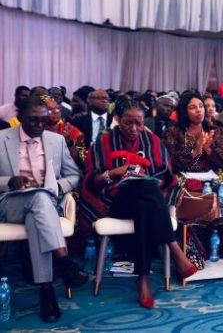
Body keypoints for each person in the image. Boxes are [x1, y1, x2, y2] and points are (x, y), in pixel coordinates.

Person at [81, 99, 197, 309]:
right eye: (128, 123)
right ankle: (173, 247)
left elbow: (165, 177)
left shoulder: (152, 141)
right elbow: (92, 182)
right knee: (146, 190)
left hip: (147, 202)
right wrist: (114, 173)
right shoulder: (104, 142)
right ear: (118, 119)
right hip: (114, 201)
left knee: (145, 200)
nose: (134, 128)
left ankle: (143, 279)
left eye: (139, 123)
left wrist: (148, 180)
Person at [0, 95, 87, 322]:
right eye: (33, 120)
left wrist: (58, 186)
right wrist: (10, 181)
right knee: (39, 200)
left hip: (44, 206)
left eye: (43, 120)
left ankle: (46, 290)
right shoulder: (2, 138)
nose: (39, 125)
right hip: (10, 203)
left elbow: (74, 176)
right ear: (20, 117)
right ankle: (64, 262)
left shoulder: (56, 141)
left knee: (37, 210)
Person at [164, 92, 223, 173]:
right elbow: (170, 162)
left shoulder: (216, 132)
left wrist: (208, 150)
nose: (199, 110)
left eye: (201, 106)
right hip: (182, 178)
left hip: (213, 178)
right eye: (192, 107)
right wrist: (196, 151)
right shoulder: (173, 133)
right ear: (184, 112)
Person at [42, 96, 86, 168]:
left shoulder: (72, 130)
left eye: (57, 108)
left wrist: (67, 142)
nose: (55, 112)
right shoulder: (35, 131)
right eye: (49, 109)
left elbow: (82, 159)